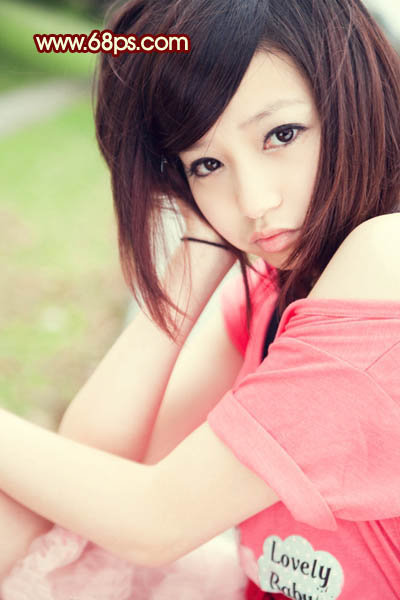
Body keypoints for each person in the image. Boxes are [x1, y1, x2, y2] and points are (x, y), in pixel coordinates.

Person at [1, 0, 400, 598]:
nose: (254, 201)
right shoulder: (274, 288)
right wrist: (199, 247)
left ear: (353, 100)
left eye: (281, 135)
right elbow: (98, 462)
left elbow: (154, 522)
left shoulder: (387, 257)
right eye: (207, 163)